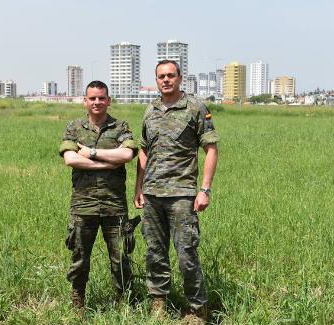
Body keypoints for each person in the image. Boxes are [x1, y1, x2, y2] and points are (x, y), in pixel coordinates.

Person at [134, 60, 219, 323]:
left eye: (171, 75)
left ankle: (196, 308)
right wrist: (139, 186)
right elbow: (144, 149)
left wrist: (204, 190)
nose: (166, 80)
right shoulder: (151, 110)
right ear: (156, 80)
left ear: (180, 78)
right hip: (152, 195)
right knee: (154, 252)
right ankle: (158, 301)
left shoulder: (195, 107)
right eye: (161, 76)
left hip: (182, 194)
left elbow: (211, 149)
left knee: (186, 254)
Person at [59, 80, 137, 309]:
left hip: (115, 205)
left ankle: (123, 303)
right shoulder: (74, 128)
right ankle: (78, 303)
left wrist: (91, 153)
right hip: (84, 205)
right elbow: (70, 159)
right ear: (85, 101)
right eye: (92, 98)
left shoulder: (120, 127)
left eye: (101, 98)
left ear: (108, 101)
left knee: (121, 258)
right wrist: (106, 163)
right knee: (80, 258)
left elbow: (126, 155)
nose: (97, 102)